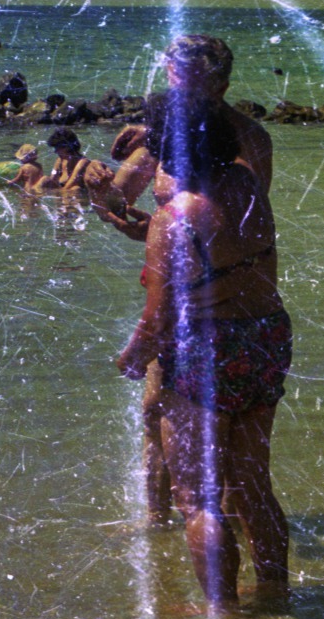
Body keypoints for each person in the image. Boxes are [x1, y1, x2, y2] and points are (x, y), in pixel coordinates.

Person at [117, 54, 290, 612]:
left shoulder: (172, 219)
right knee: (252, 483)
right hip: (265, 338)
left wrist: (131, 357)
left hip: (206, 351)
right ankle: (274, 592)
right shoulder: (247, 184)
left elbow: (158, 319)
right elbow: (228, 253)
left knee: (198, 499)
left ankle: (222, 612)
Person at [94, 40, 277, 527]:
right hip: (172, 284)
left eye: (190, 79)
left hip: (216, 295)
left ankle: (221, 525)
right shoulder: (160, 135)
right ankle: (159, 528)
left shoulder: (249, 140)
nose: (177, 88)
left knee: (226, 432)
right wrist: (101, 190)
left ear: (222, 84)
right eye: (173, 76)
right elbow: (116, 201)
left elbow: (242, 224)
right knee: (156, 411)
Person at [39, 126, 114, 194]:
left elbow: (68, 186)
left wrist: (52, 193)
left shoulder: (82, 162)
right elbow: (52, 179)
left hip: (73, 194)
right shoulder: (60, 161)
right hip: (62, 192)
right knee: (44, 179)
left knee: (75, 189)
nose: (55, 151)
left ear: (67, 147)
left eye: (57, 148)